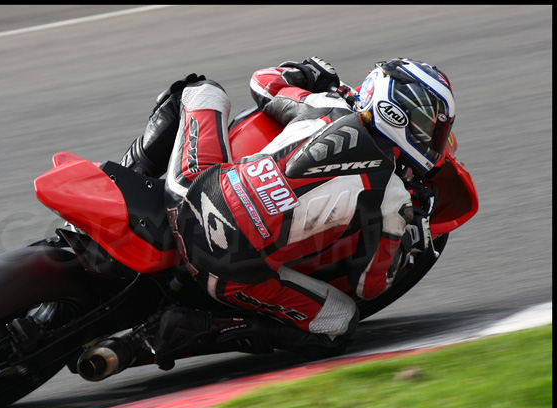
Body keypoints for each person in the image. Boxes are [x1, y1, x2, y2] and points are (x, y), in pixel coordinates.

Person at [120, 57, 455, 370]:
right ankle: (197, 327)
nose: (430, 137)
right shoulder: (393, 198)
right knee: (339, 323)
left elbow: (265, 84)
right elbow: (370, 286)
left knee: (200, 90)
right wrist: (407, 239)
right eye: (427, 124)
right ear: (395, 113)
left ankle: (127, 177)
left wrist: (306, 74)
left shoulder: (325, 104)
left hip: (188, 194)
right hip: (228, 276)